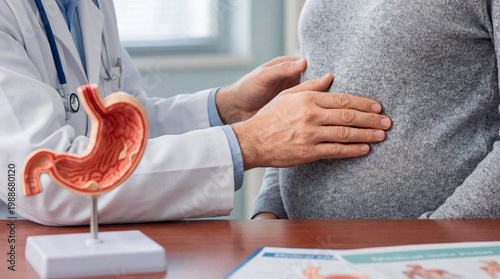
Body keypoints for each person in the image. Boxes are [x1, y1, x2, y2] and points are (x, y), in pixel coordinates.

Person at [0, 0, 390, 225]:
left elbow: (124, 129)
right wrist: (249, 143)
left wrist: (227, 106)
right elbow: (42, 179)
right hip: (21, 246)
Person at [252, 0, 500, 219]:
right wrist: (269, 208)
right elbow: (305, 108)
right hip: (301, 247)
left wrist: (440, 235)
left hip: (424, 258)